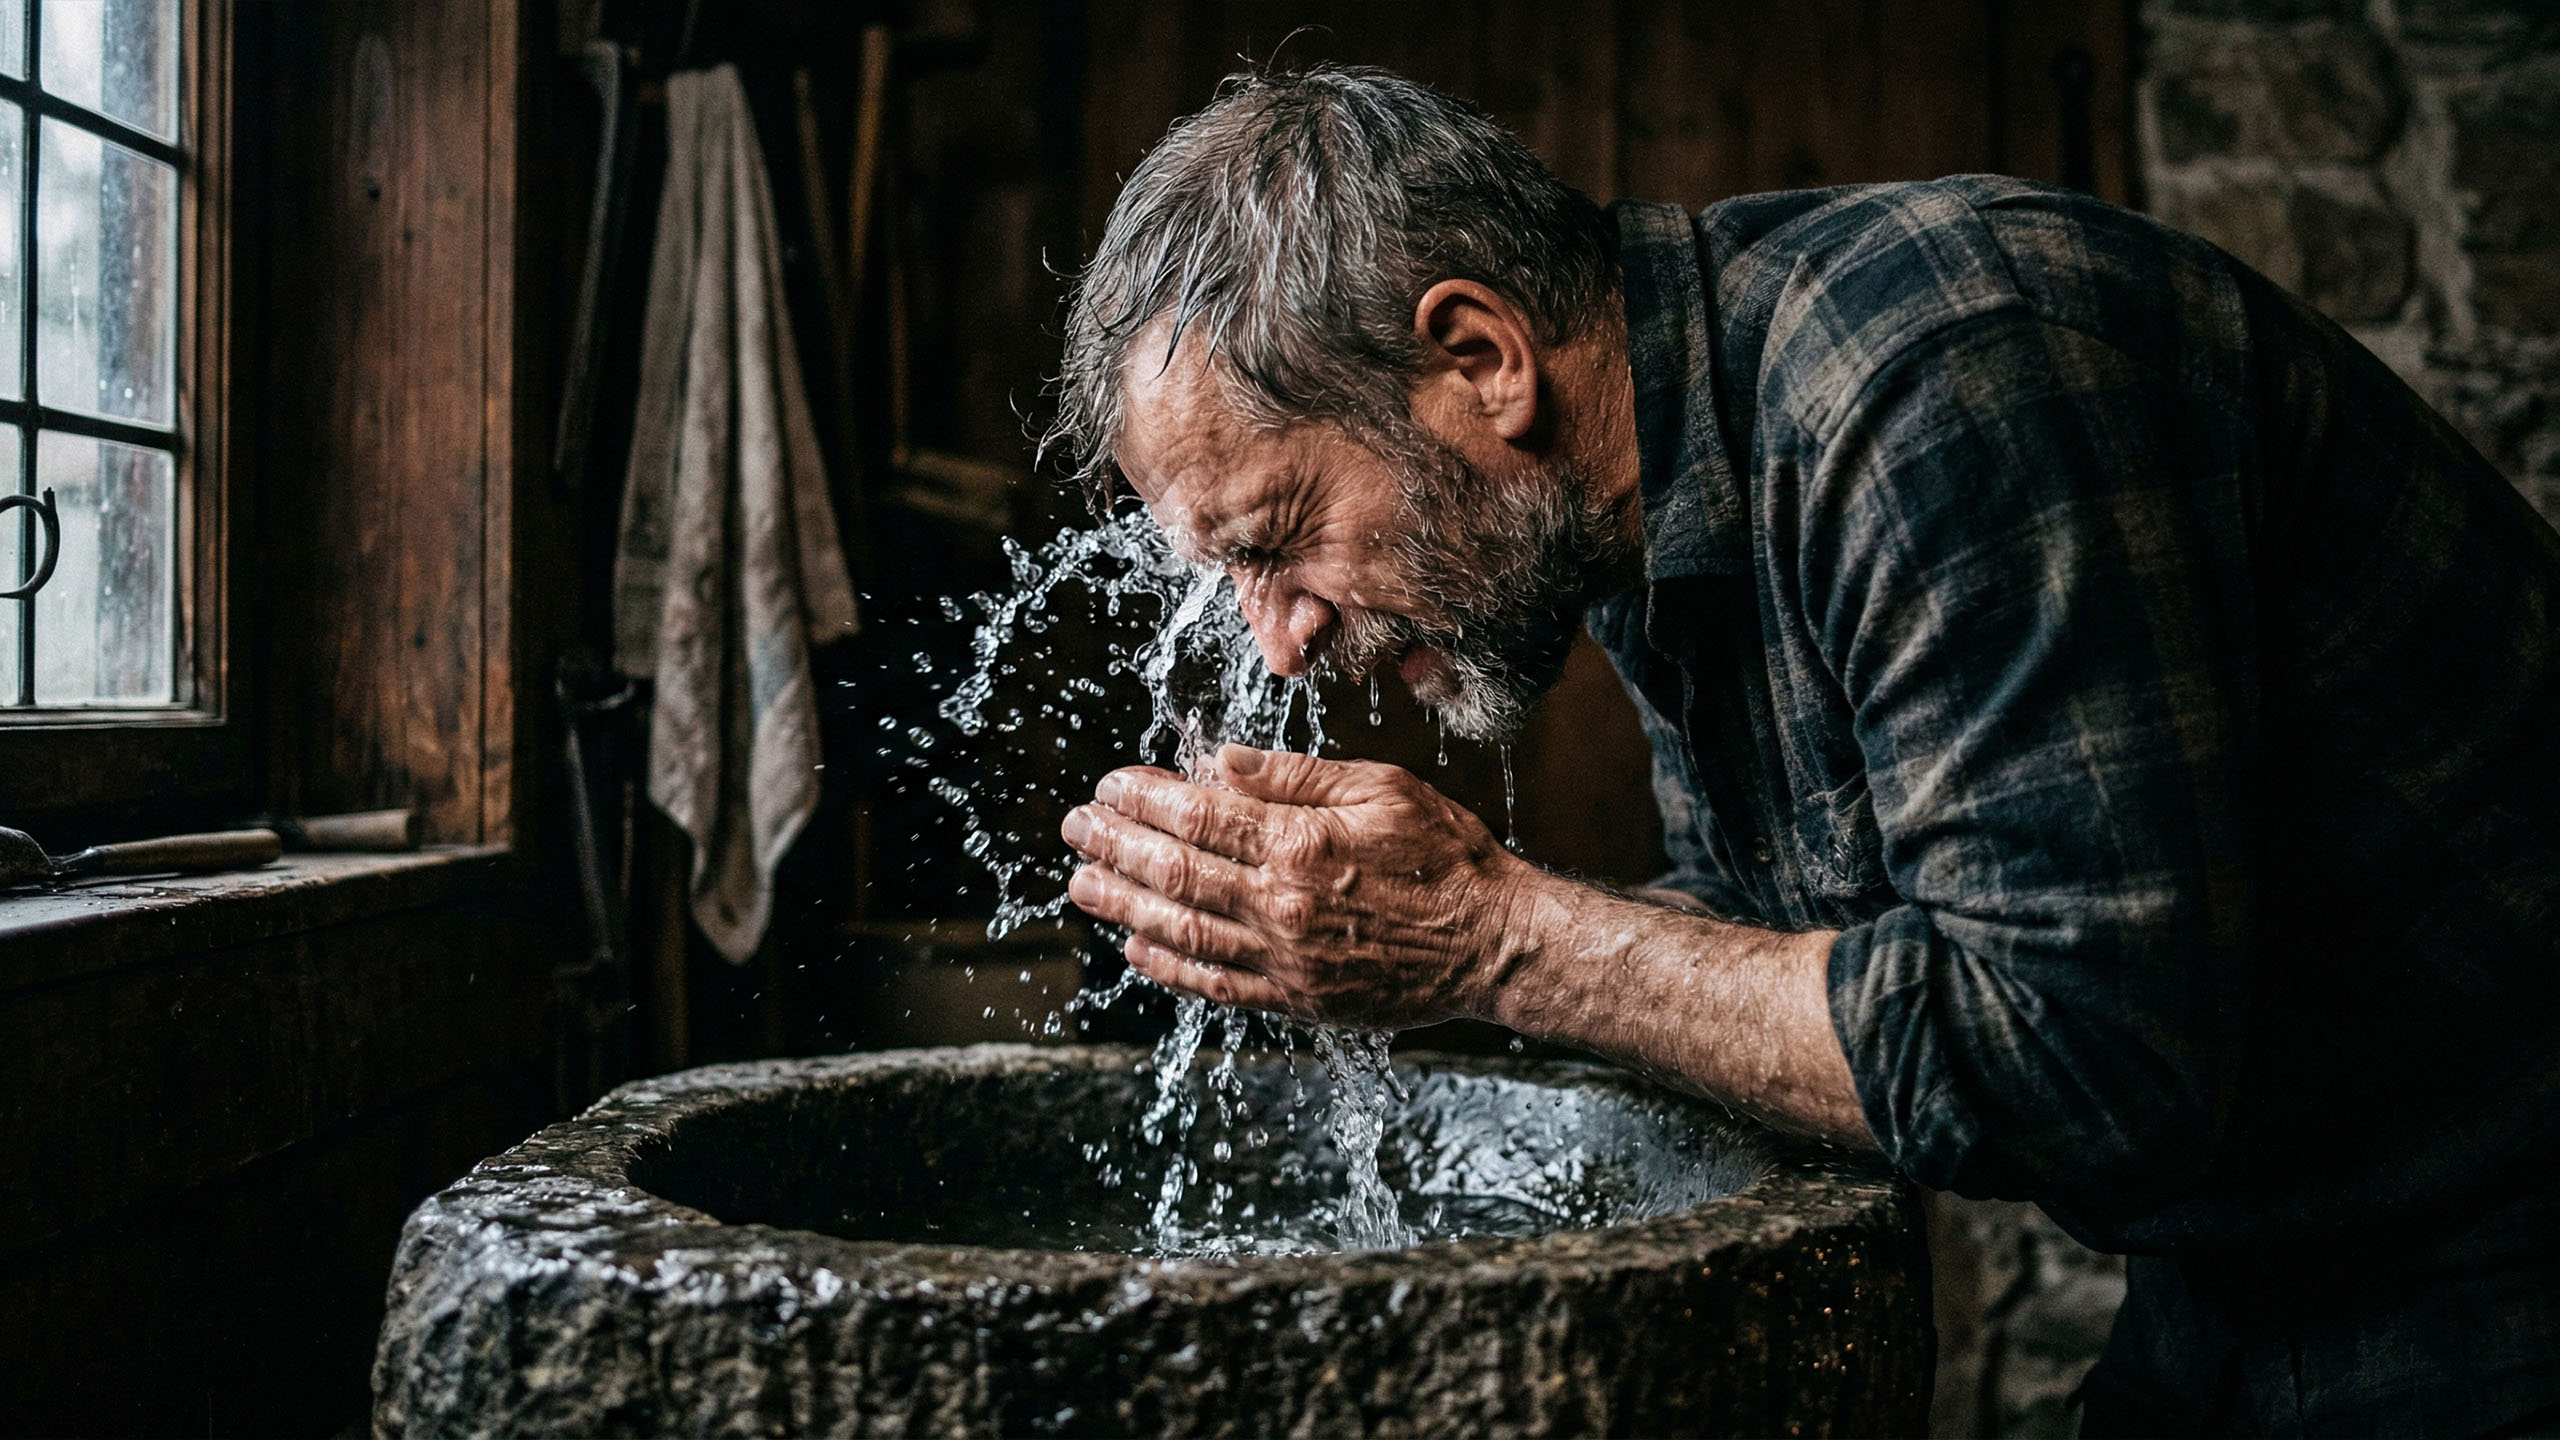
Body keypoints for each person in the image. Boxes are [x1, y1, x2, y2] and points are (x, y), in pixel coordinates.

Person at [1046, 65, 2560, 1436]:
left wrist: (1487, 940)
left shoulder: (1942, 380)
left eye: (1278, 540)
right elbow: (1785, 930)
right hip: (2259, 1270)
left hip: (2497, 1236)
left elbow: (2086, 1053)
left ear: (1480, 356)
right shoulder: (1630, 488)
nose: (1278, 641)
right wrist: (1391, 962)